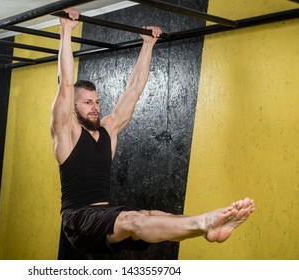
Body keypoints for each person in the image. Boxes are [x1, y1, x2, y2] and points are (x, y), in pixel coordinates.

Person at [50, 8, 255, 255]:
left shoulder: (109, 130)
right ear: (72, 108)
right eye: (87, 102)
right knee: (132, 220)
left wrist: (148, 45)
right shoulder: (66, 133)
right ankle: (205, 221)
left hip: (103, 215)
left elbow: (134, 90)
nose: (95, 108)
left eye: (97, 101)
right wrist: (66, 30)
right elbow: (65, 85)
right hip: (78, 220)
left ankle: (207, 229)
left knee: (149, 215)